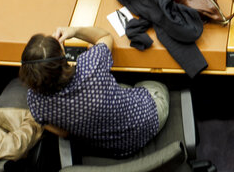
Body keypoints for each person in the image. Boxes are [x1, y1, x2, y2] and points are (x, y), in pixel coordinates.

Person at [19, 26, 169, 158]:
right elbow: (105, 36)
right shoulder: (90, 68)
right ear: (62, 56)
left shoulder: (36, 103)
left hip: (113, 149)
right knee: (154, 83)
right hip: (147, 120)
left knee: (117, 87)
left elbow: (64, 133)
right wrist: (74, 31)